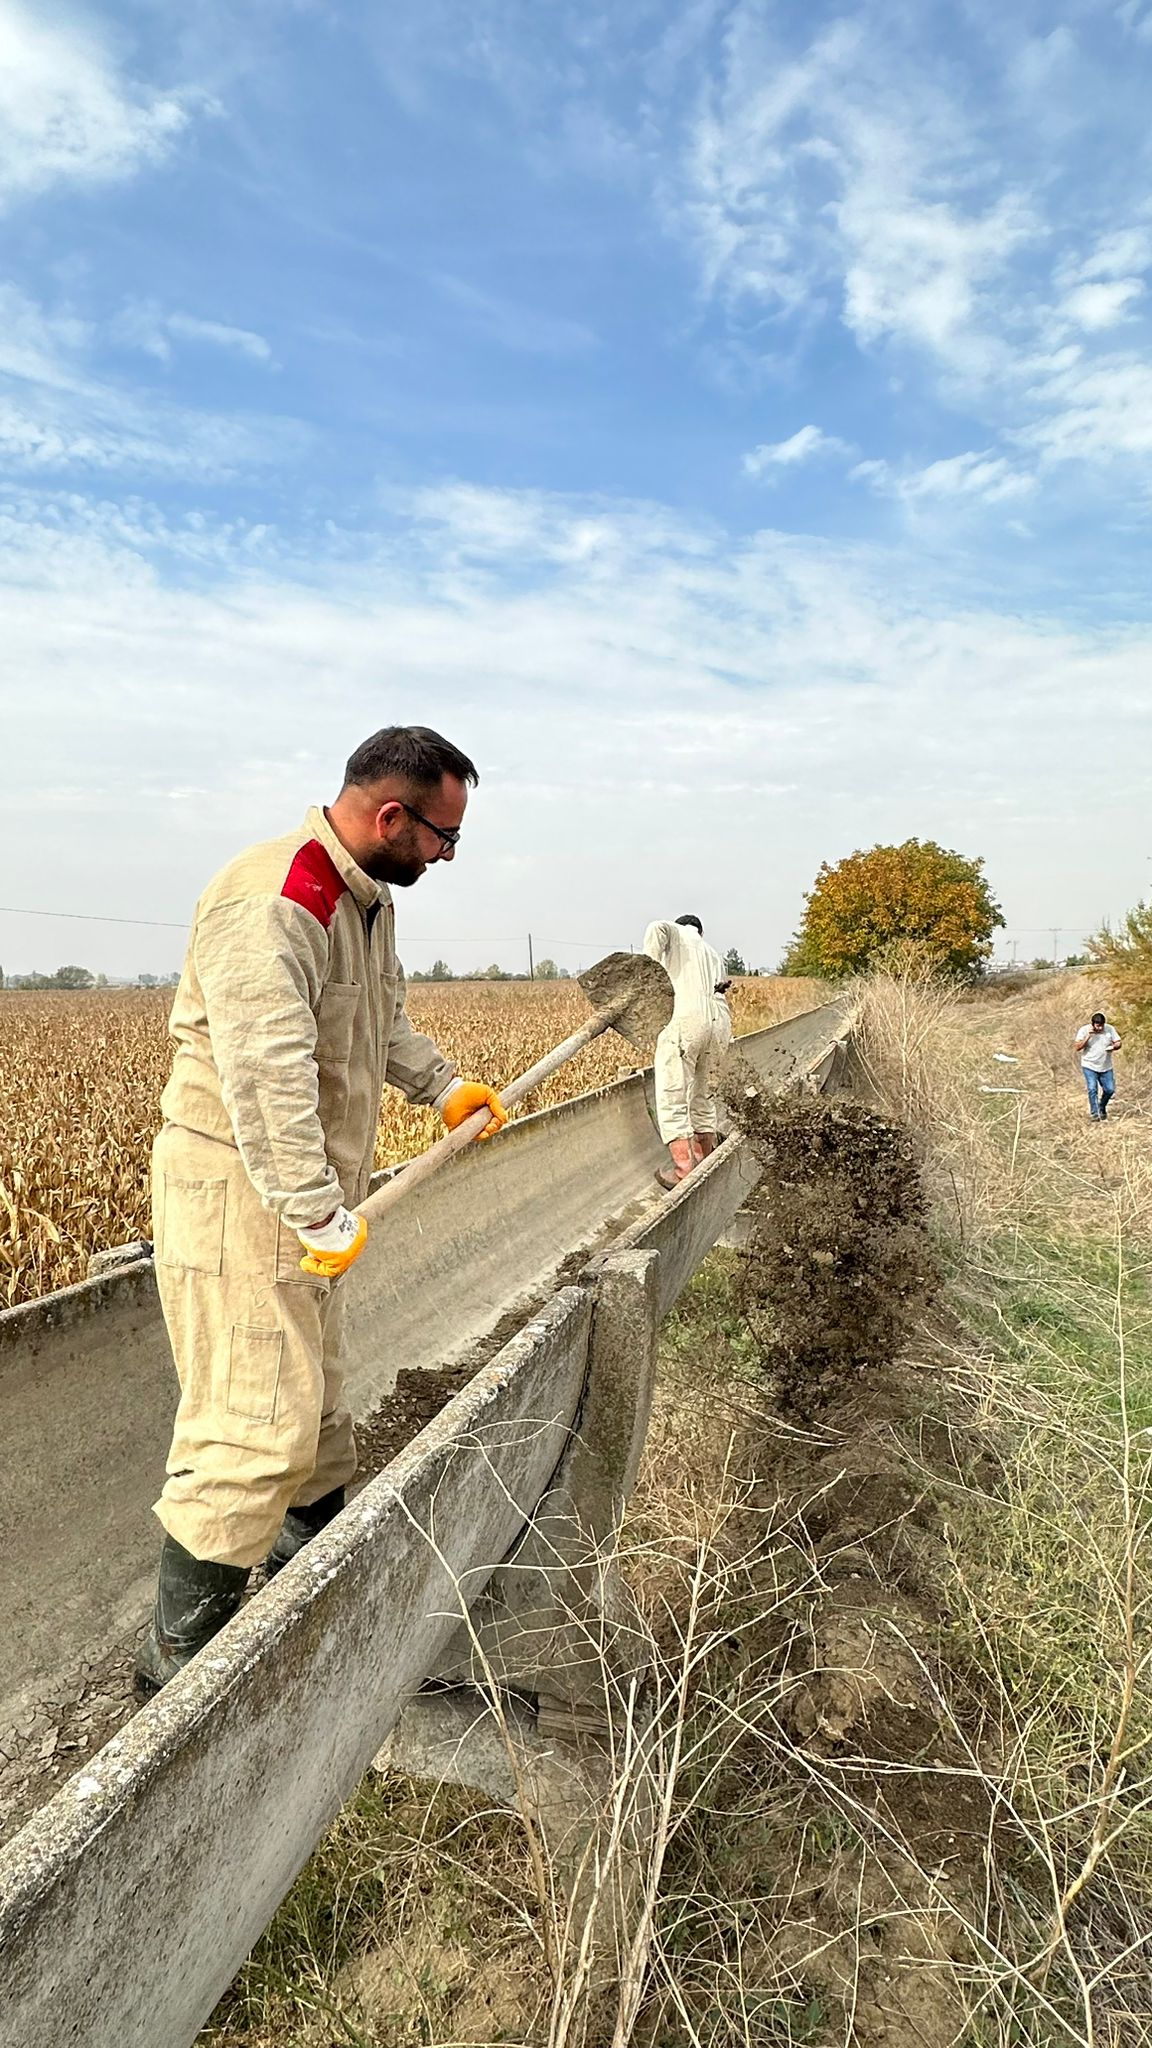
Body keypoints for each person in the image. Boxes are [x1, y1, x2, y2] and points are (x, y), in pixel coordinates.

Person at [136, 726, 507, 1693]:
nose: (446, 855)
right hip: (241, 1189)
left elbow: (375, 1021)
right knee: (253, 1418)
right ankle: (174, 1671)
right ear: (391, 815)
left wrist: (445, 1088)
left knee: (317, 1400)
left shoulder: (363, 899)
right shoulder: (278, 901)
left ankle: (321, 1593)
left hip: (305, 1194)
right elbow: (266, 1080)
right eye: (441, 836)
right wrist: (314, 1210)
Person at [642, 915, 730, 1187]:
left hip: (686, 1018)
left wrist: (646, 978)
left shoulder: (677, 934)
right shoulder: (713, 954)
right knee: (703, 1094)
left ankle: (683, 1171)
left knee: (673, 1093)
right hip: (719, 1025)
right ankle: (705, 1159)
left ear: (685, 926)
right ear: (701, 931)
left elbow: (657, 927)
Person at [1074, 1011, 1122, 1122]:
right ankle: (1095, 1114)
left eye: (1102, 1025)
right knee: (1092, 1089)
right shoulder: (1084, 1030)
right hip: (1089, 1065)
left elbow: (1118, 1042)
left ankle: (1102, 1107)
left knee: (1110, 1090)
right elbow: (1077, 1047)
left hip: (1105, 1065)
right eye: (1097, 1025)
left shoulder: (1109, 1029)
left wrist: (1114, 1046)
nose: (1100, 1028)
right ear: (1093, 1024)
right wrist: (1088, 1037)